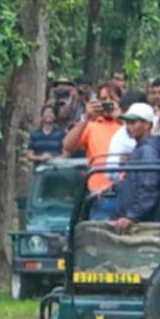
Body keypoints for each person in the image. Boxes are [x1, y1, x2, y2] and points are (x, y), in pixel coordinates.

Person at [62, 82, 124, 219]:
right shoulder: (92, 126)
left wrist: (122, 118)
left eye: (112, 99)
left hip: (126, 194)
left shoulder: (127, 126)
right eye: (103, 100)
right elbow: (68, 145)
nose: (107, 103)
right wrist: (85, 117)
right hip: (100, 195)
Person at [112, 102, 160, 232]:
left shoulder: (147, 151)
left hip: (143, 227)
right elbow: (134, 183)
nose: (128, 127)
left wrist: (131, 216)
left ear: (147, 125)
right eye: (127, 123)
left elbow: (148, 188)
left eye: (133, 122)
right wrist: (114, 186)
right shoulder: (140, 149)